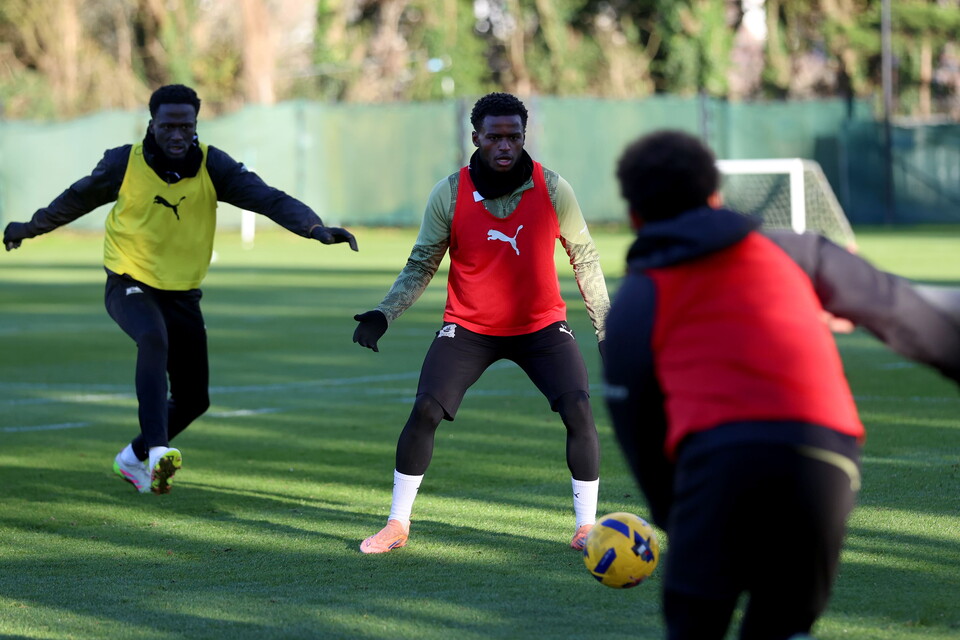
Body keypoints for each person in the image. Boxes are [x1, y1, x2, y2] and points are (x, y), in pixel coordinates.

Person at [603, 130, 960, 640]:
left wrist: (674, 515)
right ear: (715, 197)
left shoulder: (636, 301)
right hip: (823, 457)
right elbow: (906, 313)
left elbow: (638, 427)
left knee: (694, 626)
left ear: (635, 216)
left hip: (716, 465)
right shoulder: (797, 249)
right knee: (783, 623)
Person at [2, 84, 358, 495]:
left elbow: (269, 199)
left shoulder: (214, 165)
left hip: (182, 290)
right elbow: (74, 200)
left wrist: (314, 228)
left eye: (185, 126)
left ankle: (131, 458)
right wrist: (27, 229)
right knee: (153, 338)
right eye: (168, 126)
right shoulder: (124, 163)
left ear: (195, 125)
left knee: (194, 400)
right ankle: (157, 452)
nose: (177, 134)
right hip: (128, 278)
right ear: (151, 125)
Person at [352, 92, 610, 554]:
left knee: (578, 407)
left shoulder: (554, 189)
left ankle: (585, 527)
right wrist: (383, 312)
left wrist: (606, 329)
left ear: (524, 136)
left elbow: (585, 259)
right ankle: (396, 523)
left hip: (541, 327)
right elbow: (421, 263)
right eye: (494, 137)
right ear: (476, 137)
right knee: (425, 410)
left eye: (514, 136)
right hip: (469, 328)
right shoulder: (450, 193)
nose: (505, 145)